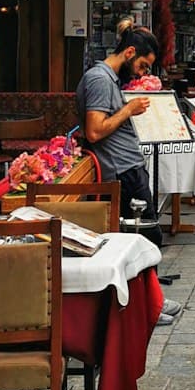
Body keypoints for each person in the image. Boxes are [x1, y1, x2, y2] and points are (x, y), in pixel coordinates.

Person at [76, 26, 164, 239]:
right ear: (130, 52)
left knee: (144, 235)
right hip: (122, 170)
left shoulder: (110, 79)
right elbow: (94, 131)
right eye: (143, 66)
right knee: (148, 235)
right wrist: (128, 110)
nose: (141, 73)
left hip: (128, 167)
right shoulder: (100, 80)